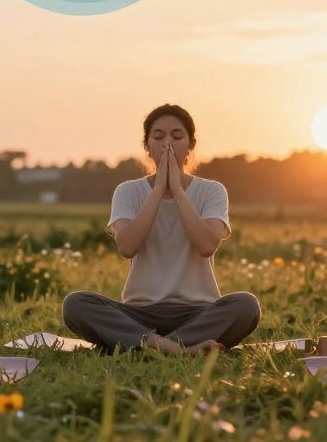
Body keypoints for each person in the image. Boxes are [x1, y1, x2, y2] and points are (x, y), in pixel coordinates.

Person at [62, 104, 260, 354]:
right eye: (158, 137)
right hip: (140, 312)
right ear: (147, 145)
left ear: (191, 145)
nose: (168, 144)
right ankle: (178, 349)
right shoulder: (128, 191)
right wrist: (157, 191)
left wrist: (177, 190)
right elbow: (127, 246)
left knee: (246, 306)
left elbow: (207, 245)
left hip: (197, 312)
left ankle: (146, 346)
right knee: (75, 304)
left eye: (177, 137)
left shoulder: (211, 191)